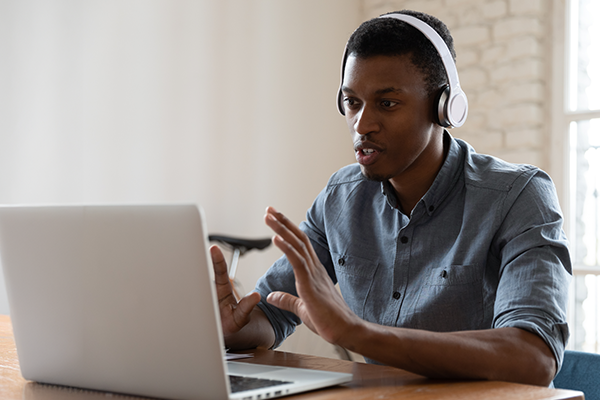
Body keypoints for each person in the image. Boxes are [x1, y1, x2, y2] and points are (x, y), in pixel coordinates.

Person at [210, 10, 571, 387]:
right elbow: (273, 314)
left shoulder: (518, 196)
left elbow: (534, 357)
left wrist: (358, 333)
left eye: (387, 103)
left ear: (444, 107)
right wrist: (234, 327)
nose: (362, 125)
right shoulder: (340, 199)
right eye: (352, 103)